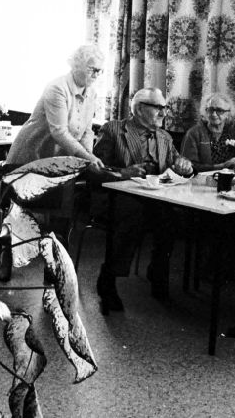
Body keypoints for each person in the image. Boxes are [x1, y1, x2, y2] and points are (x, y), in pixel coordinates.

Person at [93, 88, 194, 313]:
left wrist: (185, 166)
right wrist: (124, 172)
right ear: (139, 109)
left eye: (165, 108)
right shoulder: (113, 130)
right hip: (116, 196)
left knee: (173, 217)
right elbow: (96, 169)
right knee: (132, 216)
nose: (163, 113)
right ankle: (108, 280)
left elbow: (179, 162)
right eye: (159, 108)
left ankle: (158, 270)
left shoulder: (164, 137)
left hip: (152, 198)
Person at [5, 44, 105, 167]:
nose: (96, 75)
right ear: (76, 66)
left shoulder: (92, 93)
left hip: (58, 160)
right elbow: (59, 131)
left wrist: (89, 155)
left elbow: (87, 132)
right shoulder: (57, 87)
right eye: (91, 69)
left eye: (99, 71)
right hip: (32, 155)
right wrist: (87, 157)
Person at [179, 92, 235, 173]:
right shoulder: (193, 134)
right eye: (210, 110)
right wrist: (223, 166)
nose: (214, 114)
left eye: (219, 110)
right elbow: (189, 165)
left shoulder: (233, 134)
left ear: (228, 114)